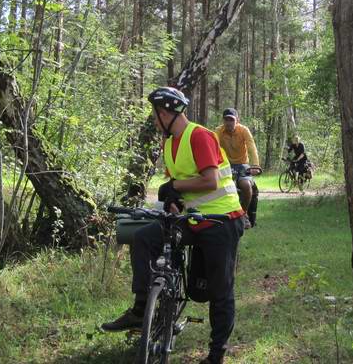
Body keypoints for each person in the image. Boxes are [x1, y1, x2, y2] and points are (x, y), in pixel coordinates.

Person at [102, 87, 245, 364]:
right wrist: (172, 200)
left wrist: (174, 186)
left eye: (155, 117)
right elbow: (180, 189)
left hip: (222, 220)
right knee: (144, 237)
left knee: (220, 291)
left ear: (166, 113)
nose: (154, 122)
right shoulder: (169, 143)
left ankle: (216, 355)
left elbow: (210, 181)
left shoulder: (199, 136)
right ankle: (143, 306)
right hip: (192, 218)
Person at [215, 108, 260, 227]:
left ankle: (243, 214)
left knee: (246, 185)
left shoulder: (243, 130)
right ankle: (218, 215)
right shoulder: (218, 131)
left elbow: (251, 147)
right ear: (223, 121)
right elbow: (212, 148)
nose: (229, 122)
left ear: (237, 120)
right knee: (215, 187)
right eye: (226, 120)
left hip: (242, 164)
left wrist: (255, 165)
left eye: (231, 119)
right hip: (225, 164)